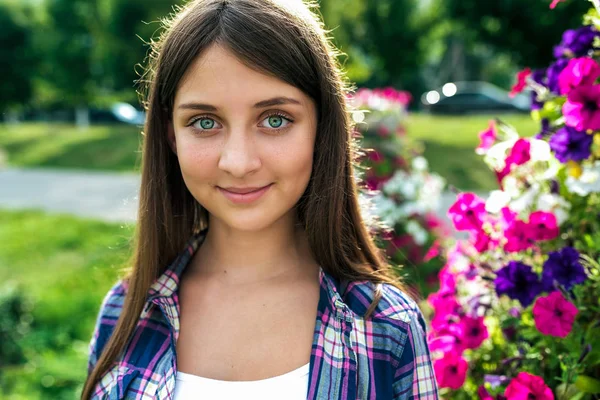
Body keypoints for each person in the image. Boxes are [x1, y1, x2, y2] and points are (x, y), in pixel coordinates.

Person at [81, 0, 439, 398]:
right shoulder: (125, 314)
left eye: (274, 120)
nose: (238, 162)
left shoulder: (385, 328)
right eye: (204, 122)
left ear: (322, 128)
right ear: (171, 136)